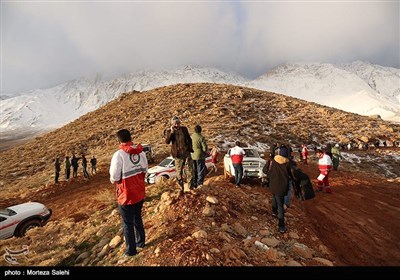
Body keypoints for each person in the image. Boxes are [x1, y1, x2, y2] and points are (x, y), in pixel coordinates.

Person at [109, 129, 148, 257]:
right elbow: (145, 169)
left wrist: (113, 180)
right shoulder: (141, 152)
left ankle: (131, 251)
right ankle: (141, 242)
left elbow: (114, 176)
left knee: (127, 223)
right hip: (139, 190)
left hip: (126, 194)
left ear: (119, 141)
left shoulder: (119, 155)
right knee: (138, 217)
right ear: (131, 138)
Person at [269, 147, 296, 233]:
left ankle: (273, 211)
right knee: (280, 206)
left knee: (274, 196)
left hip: (273, 185)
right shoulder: (288, 164)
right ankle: (281, 226)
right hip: (282, 187)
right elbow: (292, 175)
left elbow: (268, 171)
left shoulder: (273, 161)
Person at [165, 116, 194, 192]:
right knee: (179, 172)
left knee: (190, 170)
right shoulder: (169, 131)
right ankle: (181, 189)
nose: (177, 125)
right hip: (178, 155)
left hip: (186, 152)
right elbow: (167, 141)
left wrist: (190, 147)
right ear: (172, 124)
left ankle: (191, 188)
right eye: (175, 123)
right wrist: (172, 132)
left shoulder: (184, 129)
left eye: (178, 123)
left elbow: (188, 138)